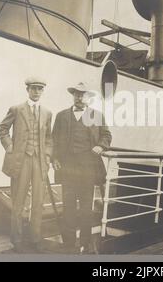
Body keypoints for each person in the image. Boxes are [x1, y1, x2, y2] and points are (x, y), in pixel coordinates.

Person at [52, 82, 112, 254]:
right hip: (67, 168)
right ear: (73, 96)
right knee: (68, 206)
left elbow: (107, 135)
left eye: (82, 94)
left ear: (88, 97)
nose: (79, 97)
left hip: (88, 167)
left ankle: (85, 243)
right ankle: (69, 244)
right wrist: (54, 158)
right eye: (76, 94)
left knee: (86, 207)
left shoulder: (97, 115)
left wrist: (101, 146)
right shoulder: (61, 116)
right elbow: (54, 139)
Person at [0, 77, 53, 253]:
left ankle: (35, 239)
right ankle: (17, 241)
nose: (37, 92)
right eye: (34, 88)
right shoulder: (16, 109)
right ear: (27, 90)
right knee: (18, 202)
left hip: (39, 162)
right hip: (21, 161)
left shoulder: (47, 113)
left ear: (43, 91)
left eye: (40, 89)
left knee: (38, 202)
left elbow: (49, 138)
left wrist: (47, 155)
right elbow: (2, 129)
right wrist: (10, 146)